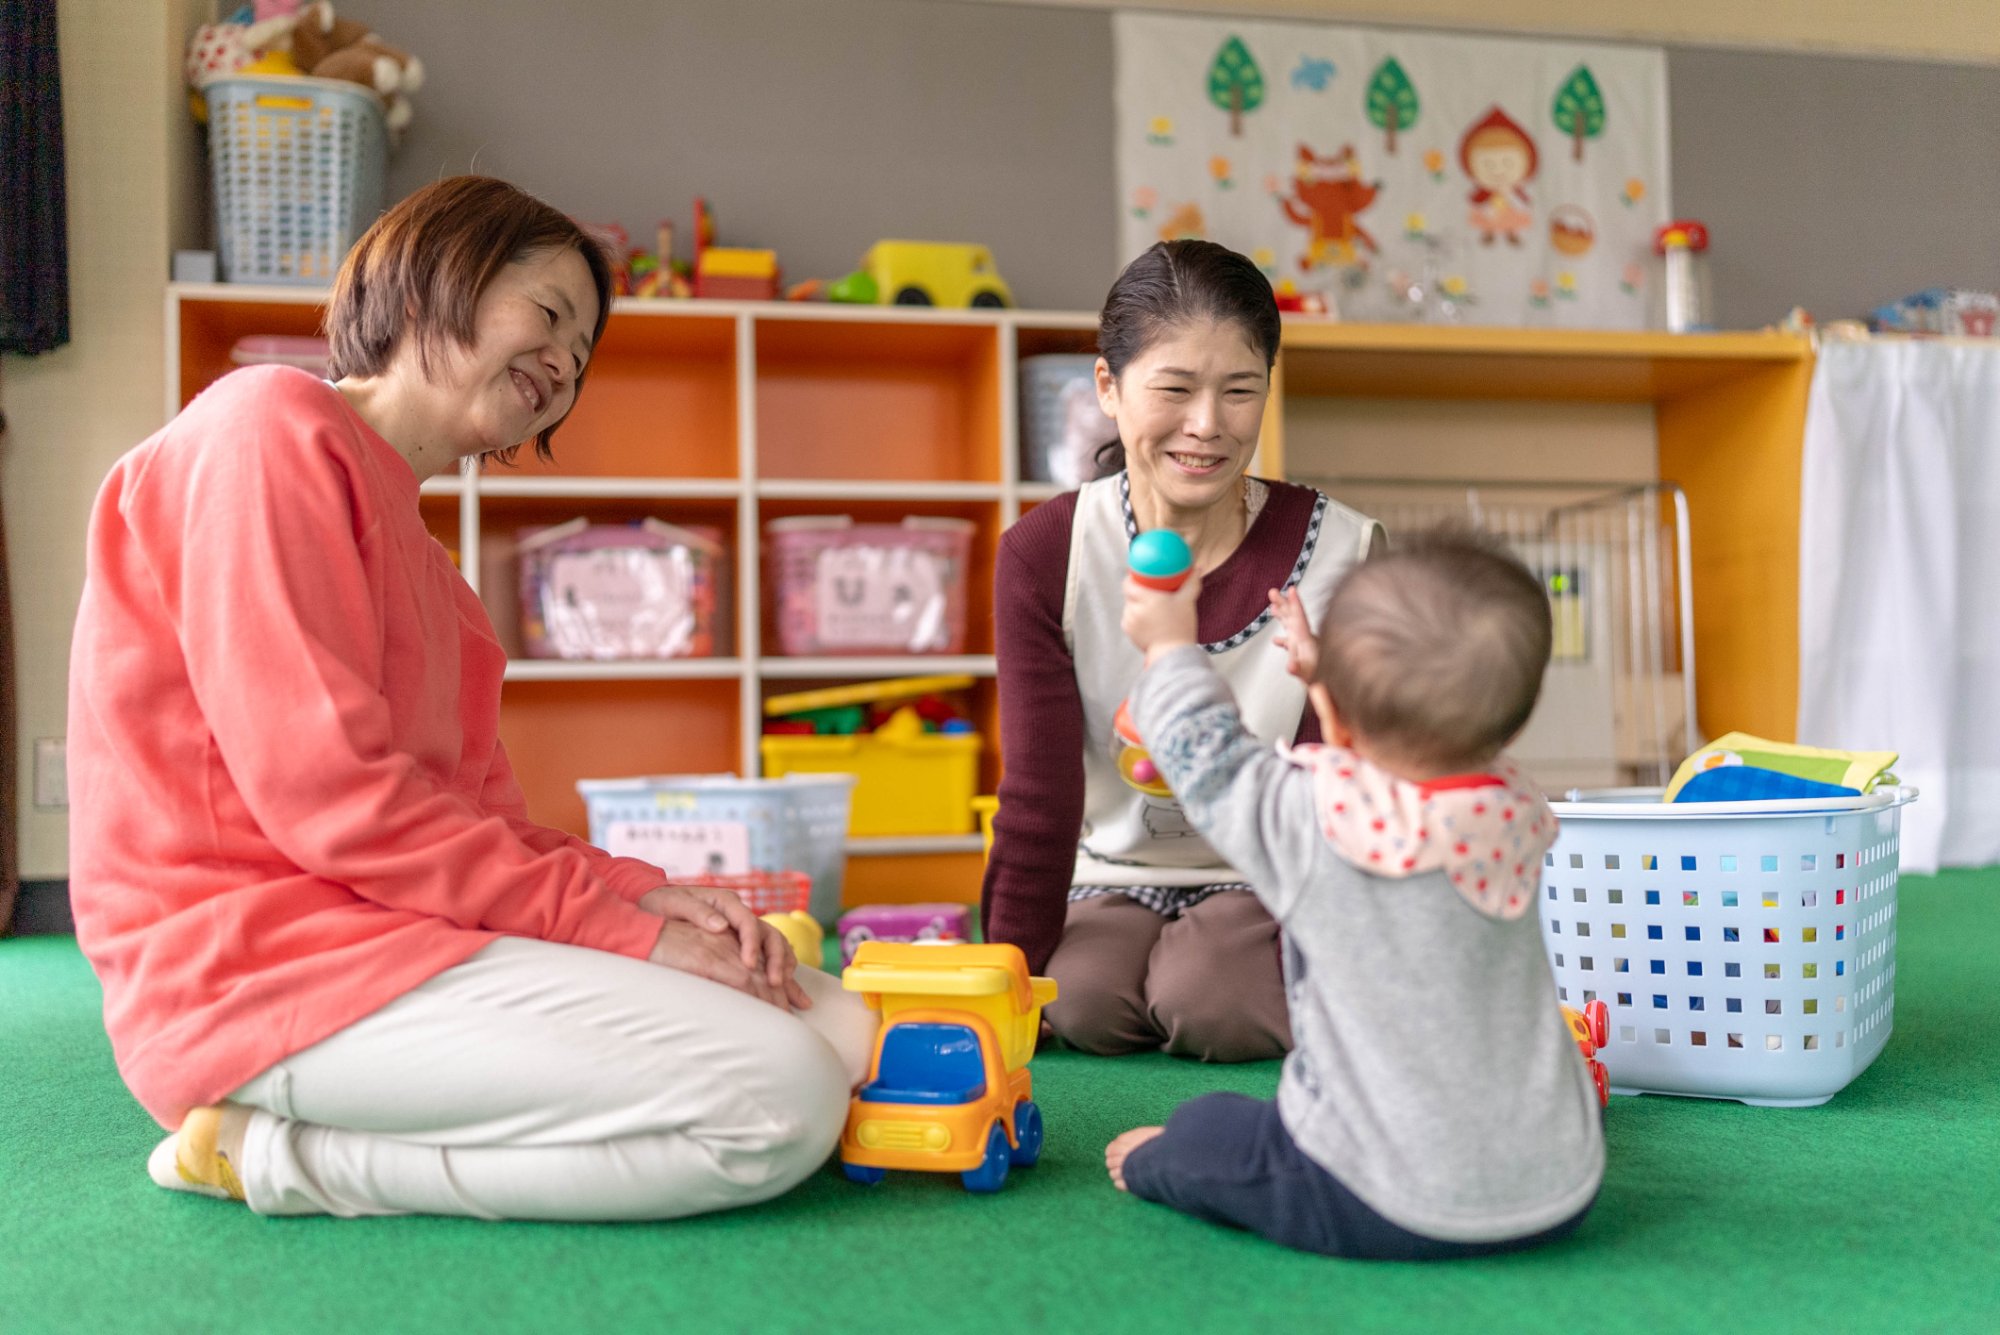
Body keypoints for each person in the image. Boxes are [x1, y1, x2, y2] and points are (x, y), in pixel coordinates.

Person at [66, 176, 876, 1222]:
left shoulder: (443, 584)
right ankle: (270, 1157)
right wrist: (622, 937)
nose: (560, 361)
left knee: (841, 1031)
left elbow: (479, 826)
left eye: (580, 354)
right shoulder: (264, 427)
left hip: (391, 933)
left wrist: (637, 894)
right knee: (782, 1099)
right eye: (545, 315)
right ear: (429, 277)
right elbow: (332, 796)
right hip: (253, 969)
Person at [1104, 527, 1603, 1259]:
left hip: (1379, 1197)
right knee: (1242, 1119)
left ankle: (1157, 1165)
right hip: (1558, 1186)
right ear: (1514, 720)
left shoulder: (1315, 821)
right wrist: (1323, 677)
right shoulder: (1514, 807)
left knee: (1207, 1125)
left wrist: (1169, 643)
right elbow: (1430, 735)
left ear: (1335, 711)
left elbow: (1208, 757)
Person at [981, 239, 1380, 1062]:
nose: (1207, 425)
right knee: (1082, 1002)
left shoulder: (1343, 549)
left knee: (1213, 1003)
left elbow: (1338, 794)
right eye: (1174, 389)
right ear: (1108, 388)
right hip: (1113, 869)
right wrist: (1004, 979)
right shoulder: (1044, 551)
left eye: (1240, 391)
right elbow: (1039, 792)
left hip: (1268, 871)